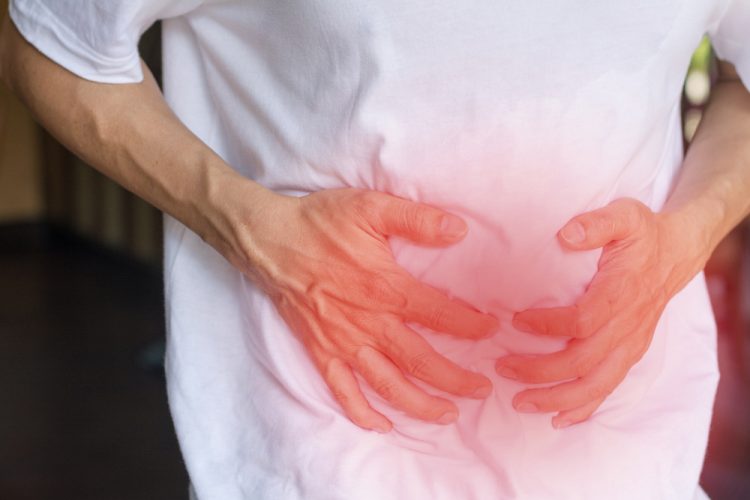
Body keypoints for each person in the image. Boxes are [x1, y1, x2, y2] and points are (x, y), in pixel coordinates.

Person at [2, 1, 749, 498]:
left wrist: (687, 237)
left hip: (624, 454)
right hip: (324, 454)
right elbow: (52, 44)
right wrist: (245, 222)